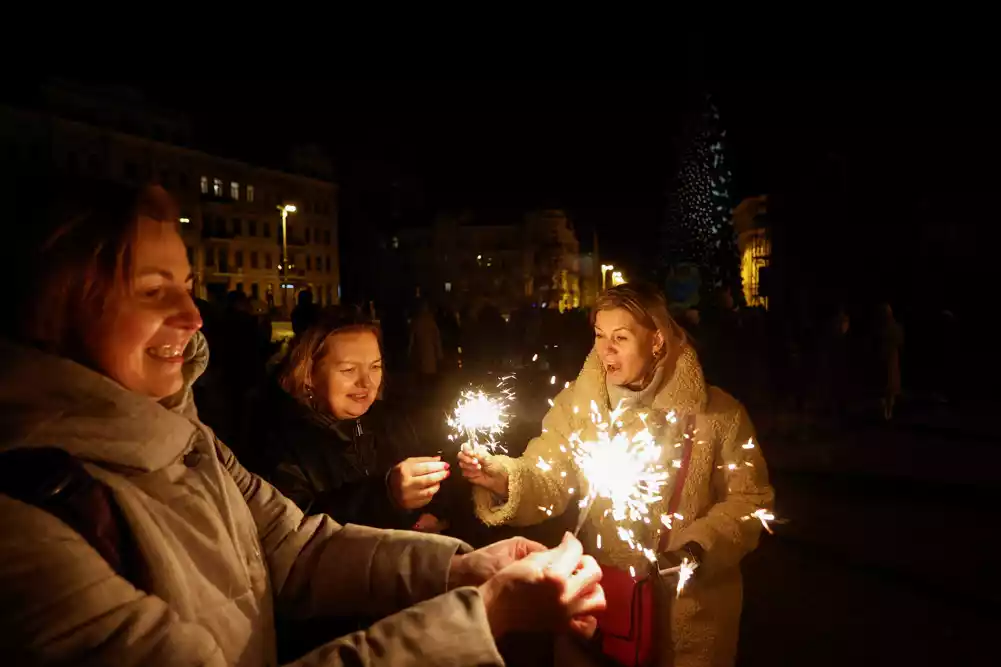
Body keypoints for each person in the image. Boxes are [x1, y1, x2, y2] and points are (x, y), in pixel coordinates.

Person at [0, 179, 606, 666]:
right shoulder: (26, 521)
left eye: (187, 286)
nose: (193, 316)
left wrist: (461, 567)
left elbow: (295, 547)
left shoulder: (188, 436)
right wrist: (485, 614)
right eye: (154, 292)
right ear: (60, 302)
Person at [459, 283, 774, 667]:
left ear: (657, 340)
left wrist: (696, 549)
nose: (605, 349)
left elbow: (751, 501)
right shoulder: (578, 406)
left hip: (689, 622)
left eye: (620, 337)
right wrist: (505, 479)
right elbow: (550, 477)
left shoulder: (718, 416)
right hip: (602, 611)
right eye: (600, 335)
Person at [256, 307, 450, 532]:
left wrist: (435, 512)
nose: (366, 383)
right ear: (309, 374)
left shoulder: (395, 423)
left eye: (375, 367)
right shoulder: (280, 446)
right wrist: (385, 496)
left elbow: (439, 489)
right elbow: (293, 533)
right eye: (348, 370)